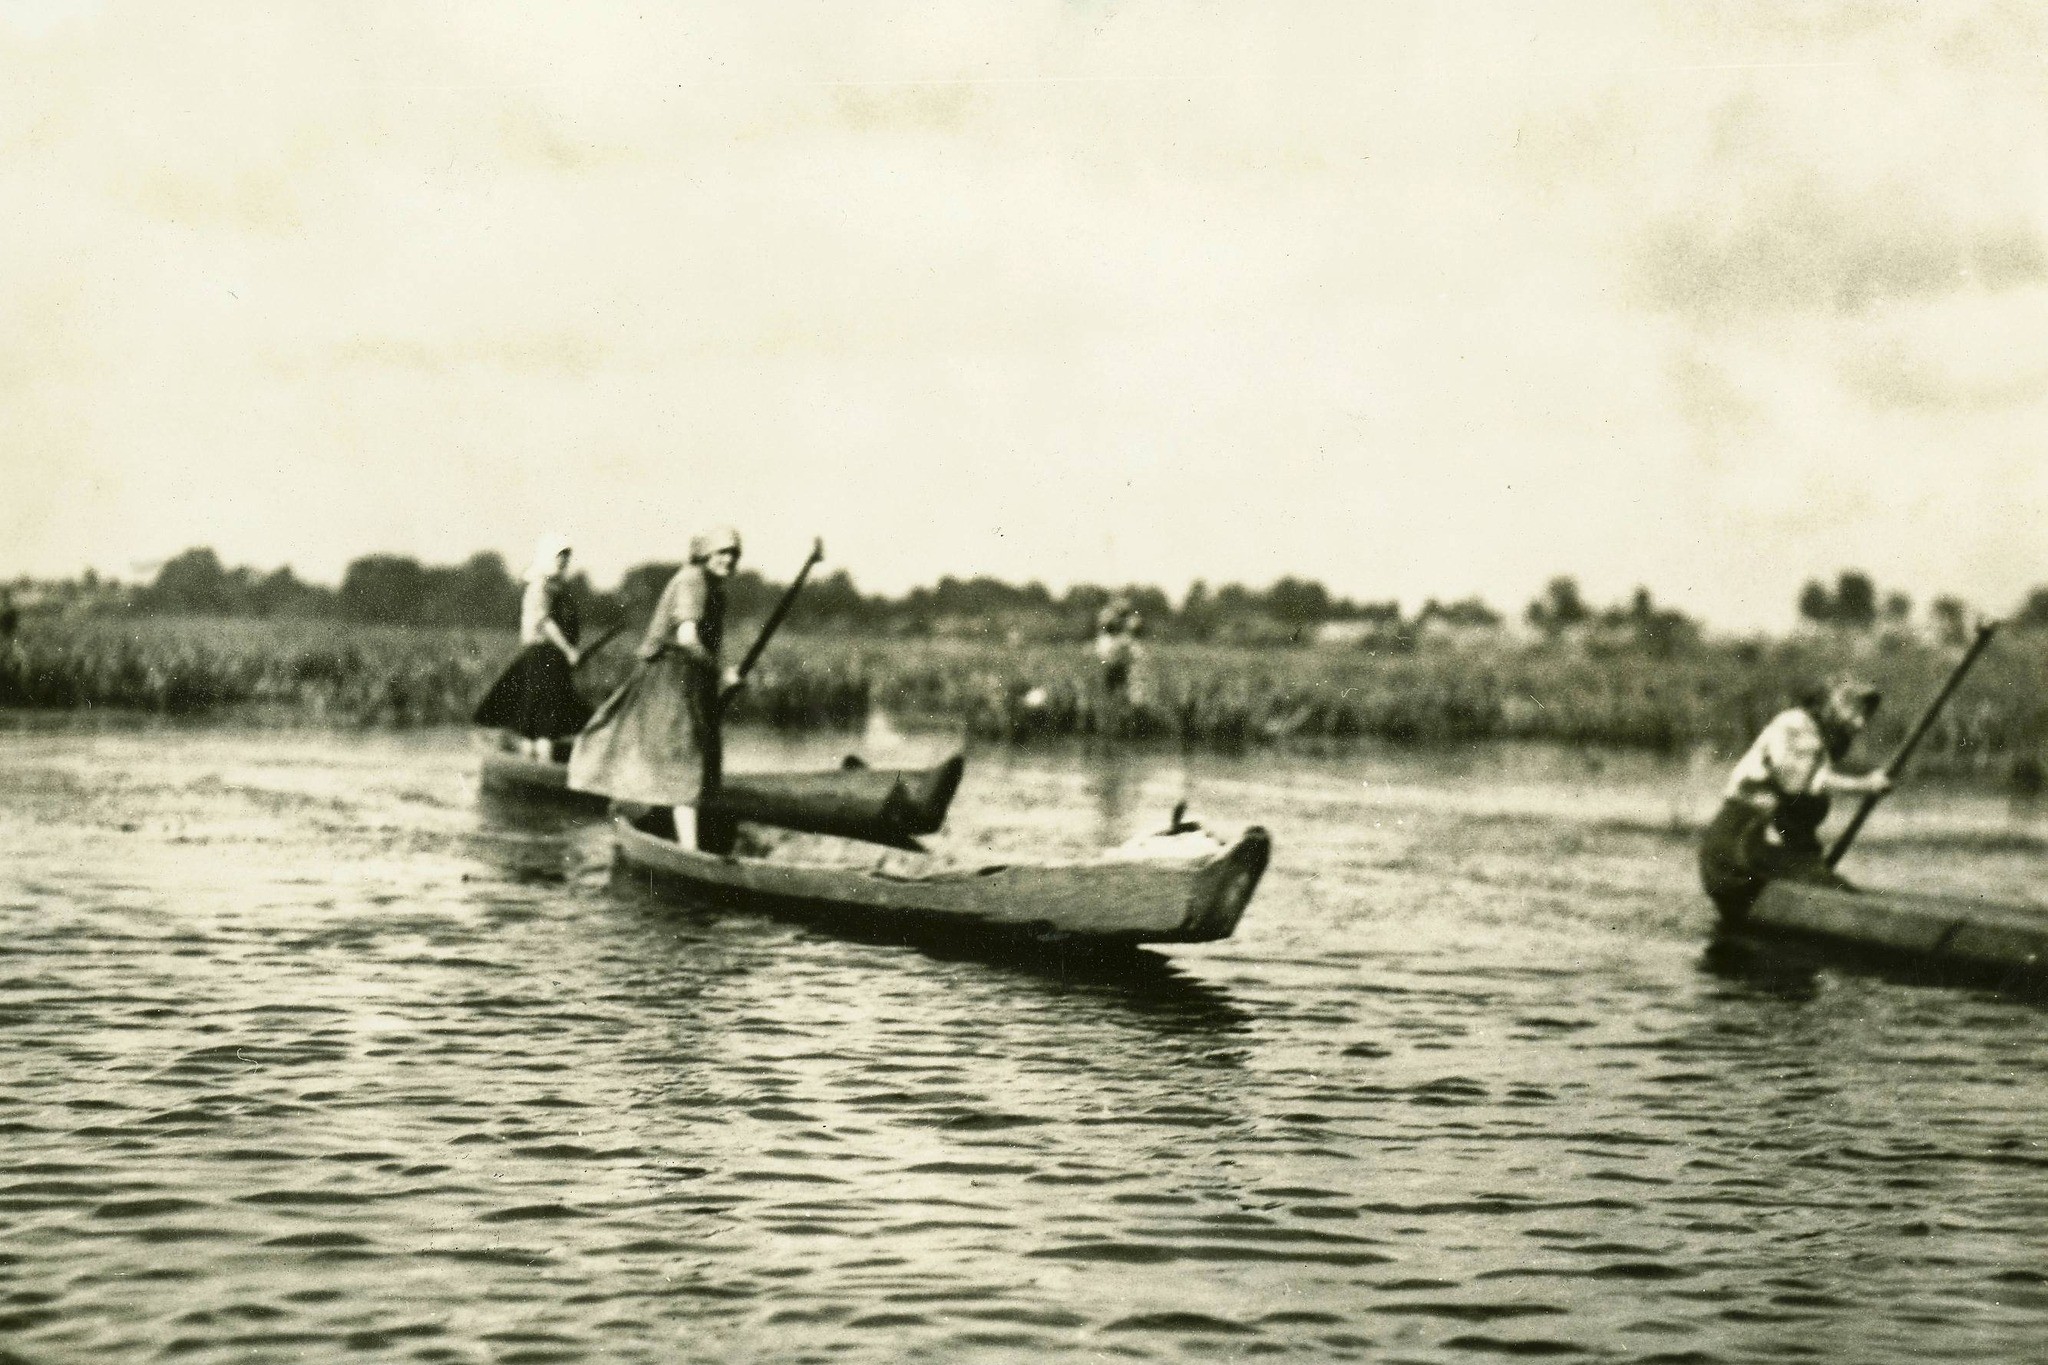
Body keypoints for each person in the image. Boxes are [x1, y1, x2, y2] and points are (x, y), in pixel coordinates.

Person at [569, 526, 743, 852]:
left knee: (691, 757)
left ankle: (676, 831)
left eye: (734, 554)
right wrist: (723, 673)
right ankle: (690, 851)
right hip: (669, 679)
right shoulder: (692, 579)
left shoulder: (713, 587)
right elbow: (688, 638)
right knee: (683, 760)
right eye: (722, 553)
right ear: (705, 554)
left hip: (689, 679)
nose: (729, 560)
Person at [1698, 679, 1893, 917]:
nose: (1861, 724)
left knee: (1828, 883)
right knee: (1835, 892)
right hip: (1737, 849)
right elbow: (1800, 782)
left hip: (1765, 850)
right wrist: (1865, 785)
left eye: (1867, 715)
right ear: (1832, 705)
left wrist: (1812, 863)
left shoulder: (1824, 741)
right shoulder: (1794, 724)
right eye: (1855, 712)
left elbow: (1800, 806)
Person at [472, 533, 591, 760]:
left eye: (567, 556)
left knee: (549, 718)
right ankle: (537, 768)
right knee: (540, 719)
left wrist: (567, 653)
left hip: (554, 660)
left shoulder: (558, 588)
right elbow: (544, 622)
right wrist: (568, 650)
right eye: (560, 556)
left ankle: (541, 763)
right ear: (548, 557)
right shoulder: (540, 587)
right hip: (541, 657)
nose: (564, 561)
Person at [1094, 596, 1143, 731]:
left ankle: (1123, 723)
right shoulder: (1109, 636)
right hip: (1113, 662)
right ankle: (1116, 723)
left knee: (1122, 693)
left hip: (1119, 664)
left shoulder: (1125, 636)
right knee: (1113, 692)